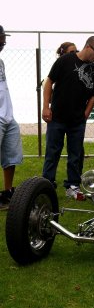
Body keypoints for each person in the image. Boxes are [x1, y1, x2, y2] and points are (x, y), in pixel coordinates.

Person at [42, 36, 94, 200]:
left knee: (75, 155)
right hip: (57, 118)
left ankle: (73, 187)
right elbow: (49, 83)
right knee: (52, 153)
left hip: (77, 122)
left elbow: (93, 96)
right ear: (88, 47)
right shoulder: (65, 61)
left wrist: (85, 115)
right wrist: (46, 107)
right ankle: (46, 185)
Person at [0, 25, 23, 210]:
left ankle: (7, 193)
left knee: (11, 157)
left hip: (8, 117)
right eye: (2, 38)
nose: (4, 42)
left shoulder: (1, 62)